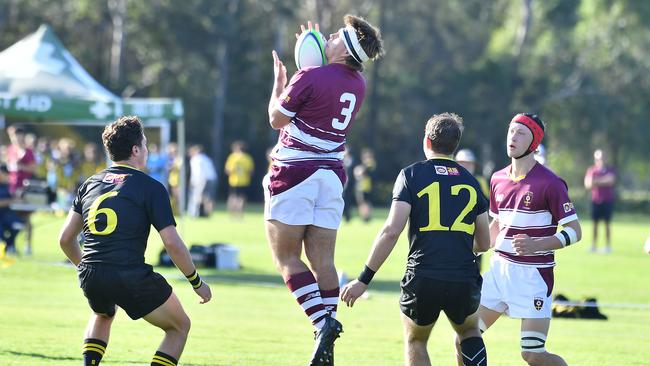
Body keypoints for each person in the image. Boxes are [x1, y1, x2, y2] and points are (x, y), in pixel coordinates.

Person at [265, 15, 384, 365]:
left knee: (286, 259)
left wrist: (280, 82)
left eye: (335, 35)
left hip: (295, 172)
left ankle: (322, 324)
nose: (327, 36)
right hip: (332, 176)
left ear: (345, 48)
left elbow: (276, 119)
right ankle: (326, 338)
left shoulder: (310, 76)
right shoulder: (359, 83)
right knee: (324, 263)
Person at [58, 116, 212, 366]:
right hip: (129, 273)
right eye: (146, 144)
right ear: (136, 150)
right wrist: (196, 282)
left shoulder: (90, 183)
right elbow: (172, 243)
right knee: (180, 326)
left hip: (92, 273)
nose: (148, 150)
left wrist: (86, 266)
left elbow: (65, 239)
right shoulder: (151, 187)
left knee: (103, 313)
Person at [341, 113, 491, 366]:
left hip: (423, 275)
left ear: (427, 141)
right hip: (463, 276)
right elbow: (484, 243)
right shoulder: (472, 183)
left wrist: (363, 279)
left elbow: (391, 231)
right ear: (455, 146)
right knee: (469, 332)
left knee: (416, 340)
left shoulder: (411, 175)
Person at [466, 113, 582, 366]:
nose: (513, 137)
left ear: (534, 143)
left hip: (533, 277)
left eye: (521, 133)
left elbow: (574, 230)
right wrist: (470, 248)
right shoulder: (497, 179)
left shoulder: (551, 183)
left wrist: (536, 245)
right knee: (465, 339)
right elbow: (496, 225)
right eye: (511, 131)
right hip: (498, 273)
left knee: (533, 354)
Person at [455, 148, 490, 272]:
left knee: (476, 266)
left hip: (476, 229)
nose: (466, 166)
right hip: (455, 230)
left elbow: (488, 203)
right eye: (463, 163)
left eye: (469, 163)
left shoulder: (480, 181)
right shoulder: (451, 180)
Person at [6, 125, 36, 255]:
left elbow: (33, 169)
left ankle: (28, 245)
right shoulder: (10, 149)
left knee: (26, 218)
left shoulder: (28, 151)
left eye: (17, 136)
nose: (15, 139)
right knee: (12, 217)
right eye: (13, 136)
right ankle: (11, 245)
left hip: (24, 189)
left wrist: (20, 166)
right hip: (12, 188)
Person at [584, 149, 616, 254]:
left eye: (601, 158)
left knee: (607, 224)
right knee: (595, 224)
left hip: (607, 200)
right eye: (598, 158)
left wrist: (596, 181)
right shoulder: (592, 170)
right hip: (595, 200)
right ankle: (594, 245)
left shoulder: (610, 169)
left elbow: (611, 180)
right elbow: (588, 184)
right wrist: (603, 180)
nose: (600, 160)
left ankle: (607, 246)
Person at [224, 141, 255, 219]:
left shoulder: (232, 157)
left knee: (232, 197)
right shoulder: (247, 158)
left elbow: (227, 170)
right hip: (244, 181)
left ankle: (232, 214)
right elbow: (250, 171)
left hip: (233, 180)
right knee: (242, 198)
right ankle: (240, 215)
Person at [0, 165, 25, 255]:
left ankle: (10, 246)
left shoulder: (9, 186)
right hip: (1, 218)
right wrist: (12, 201)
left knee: (19, 224)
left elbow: (15, 199)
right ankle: (8, 246)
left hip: (10, 216)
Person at [187, 144, 217, 217]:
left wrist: (194, 181)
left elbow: (197, 172)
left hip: (202, 179)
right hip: (212, 178)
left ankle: (196, 213)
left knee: (198, 195)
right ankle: (207, 213)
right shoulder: (206, 158)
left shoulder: (195, 159)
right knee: (208, 197)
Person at [353, 148, 376, 222]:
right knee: (362, 203)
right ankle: (364, 217)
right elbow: (358, 173)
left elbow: (371, 168)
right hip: (361, 188)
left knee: (368, 203)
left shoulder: (370, 166)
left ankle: (367, 217)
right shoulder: (360, 167)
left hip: (368, 188)